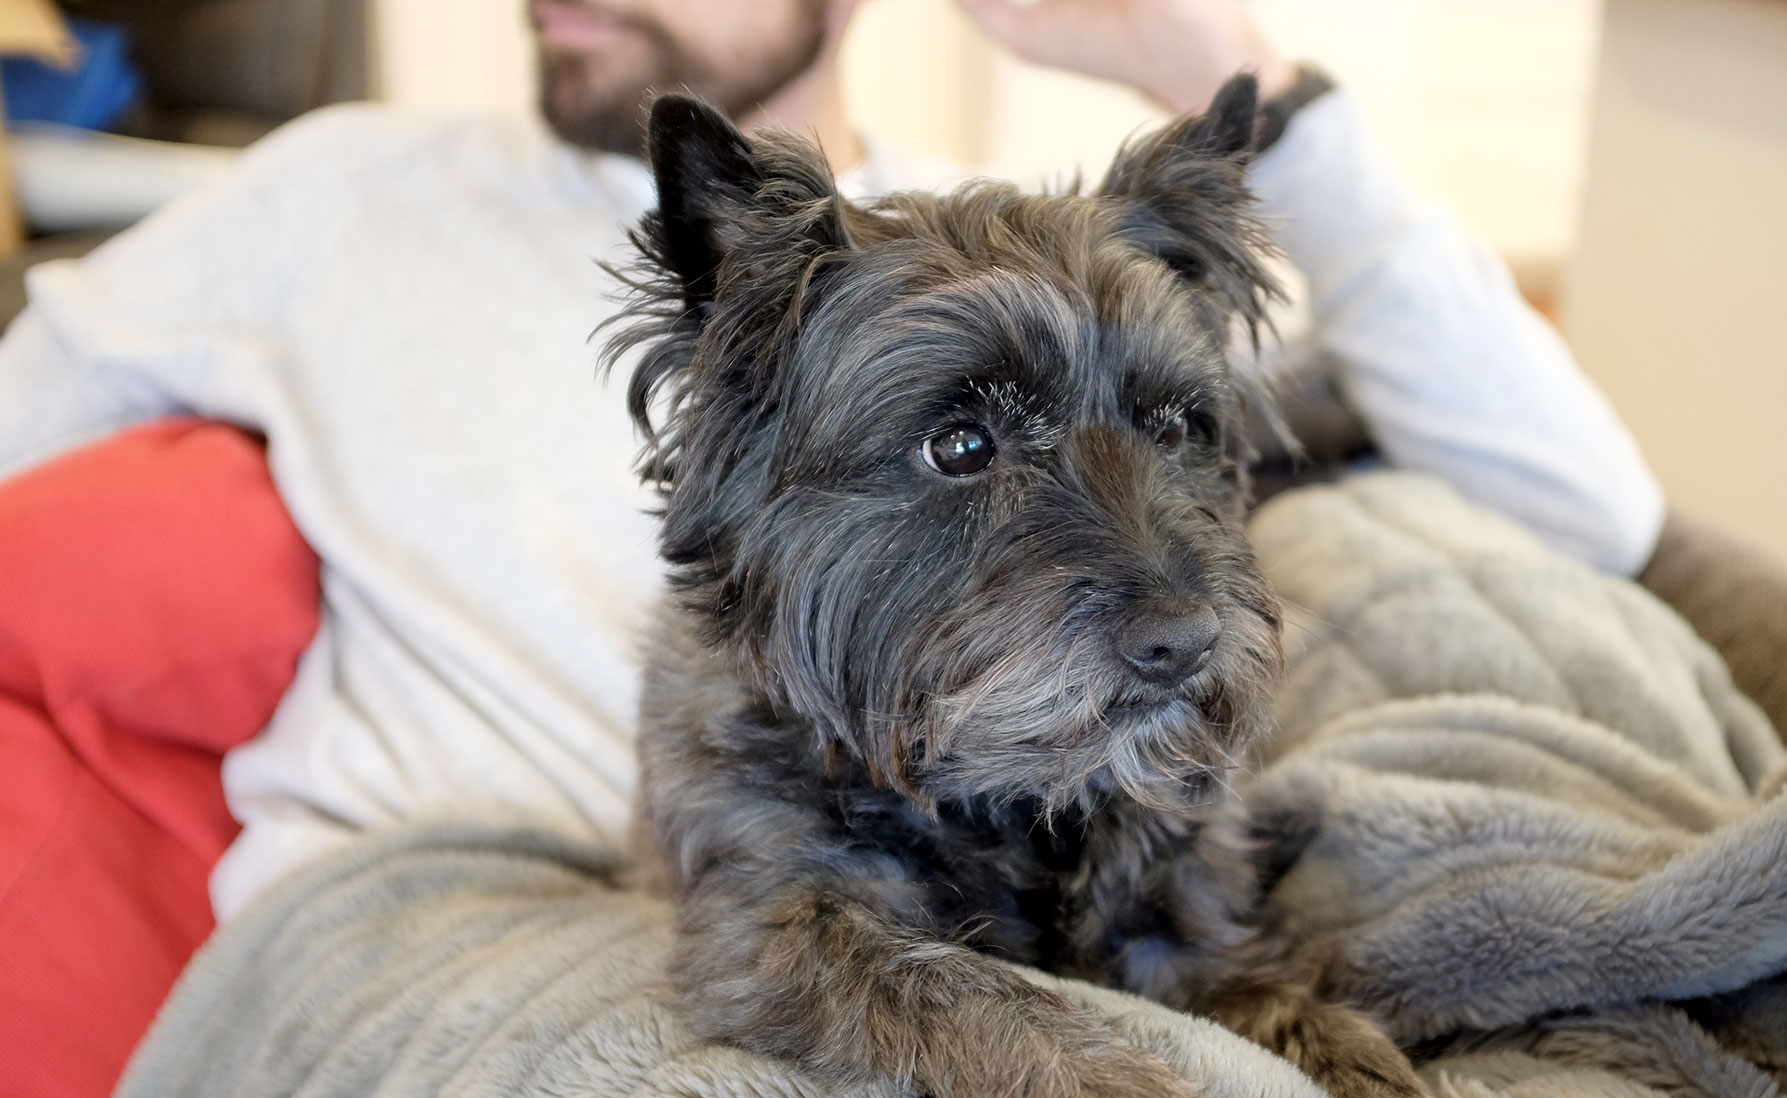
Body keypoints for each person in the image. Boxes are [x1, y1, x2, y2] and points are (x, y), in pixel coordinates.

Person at [0, 0, 1663, 922]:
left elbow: (1587, 502)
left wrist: (1208, 55)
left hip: (986, 891)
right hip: (466, 938)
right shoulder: (334, 189)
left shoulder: (1042, 262)